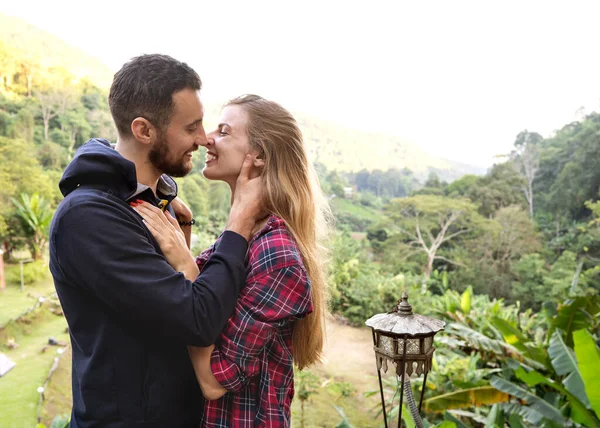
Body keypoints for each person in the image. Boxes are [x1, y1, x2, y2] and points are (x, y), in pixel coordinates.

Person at [49, 55, 264, 427]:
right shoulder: (90, 218)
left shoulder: (148, 204)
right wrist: (239, 223)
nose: (202, 138)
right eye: (191, 127)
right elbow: (197, 320)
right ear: (144, 131)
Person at [134, 94, 331, 427]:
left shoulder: (276, 255)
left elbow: (214, 381)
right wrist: (182, 234)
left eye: (224, 131)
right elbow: (205, 301)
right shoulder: (243, 237)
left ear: (260, 157)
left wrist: (185, 263)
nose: (208, 138)